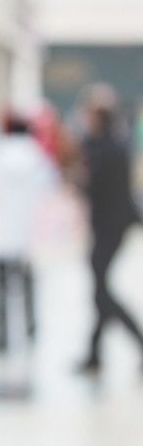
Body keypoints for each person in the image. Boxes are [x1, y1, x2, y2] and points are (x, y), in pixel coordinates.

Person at [0, 108, 59, 352]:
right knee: (28, 284)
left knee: (0, 287)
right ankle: (30, 330)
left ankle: (2, 335)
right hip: (28, 233)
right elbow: (50, 196)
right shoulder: (39, 159)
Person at [74, 83, 143, 373]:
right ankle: (94, 353)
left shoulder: (107, 148)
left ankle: (138, 341)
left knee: (102, 291)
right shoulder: (107, 144)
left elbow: (97, 189)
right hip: (108, 226)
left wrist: (80, 180)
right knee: (99, 290)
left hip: (110, 228)